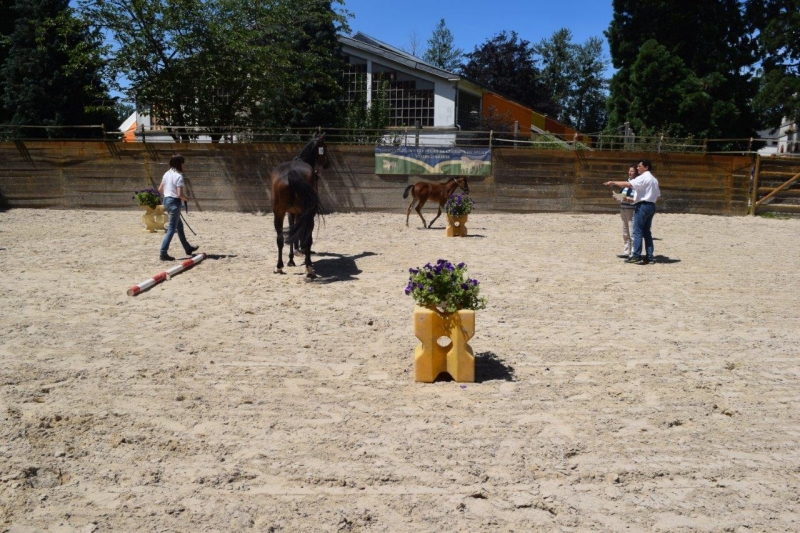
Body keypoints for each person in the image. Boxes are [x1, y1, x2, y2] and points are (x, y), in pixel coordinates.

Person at [604, 158, 660, 264]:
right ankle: (650, 256)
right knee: (647, 232)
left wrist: (613, 182)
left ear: (646, 167)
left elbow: (628, 184)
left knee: (637, 231)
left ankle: (636, 255)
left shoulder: (643, 177)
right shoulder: (654, 179)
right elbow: (657, 196)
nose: (638, 168)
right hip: (651, 205)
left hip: (642, 206)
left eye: (640, 166)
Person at [158, 154, 198, 261]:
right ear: (180, 164)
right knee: (171, 229)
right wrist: (186, 199)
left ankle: (187, 248)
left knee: (179, 226)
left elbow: (160, 189)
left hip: (166, 200)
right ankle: (163, 253)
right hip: (174, 202)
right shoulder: (179, 176)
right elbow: (180, 194)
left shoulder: (166, 174)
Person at [614, 165, 637, 259]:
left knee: (631, 231)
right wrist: (617, 197)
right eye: (629, 171)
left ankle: (633, 252)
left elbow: (636, 197)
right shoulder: (626, 183)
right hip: (623, 207)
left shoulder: (636, 184)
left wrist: (626, 198)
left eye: (632, 171)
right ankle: (626, 251)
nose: (630, 173)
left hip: (631, 208)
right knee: (625, 231)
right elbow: (623, 195)